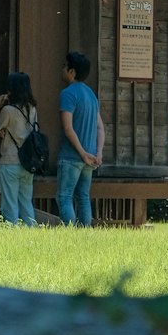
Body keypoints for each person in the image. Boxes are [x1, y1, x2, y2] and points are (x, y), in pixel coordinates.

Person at [57, 50, 104, 226]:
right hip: (90, 157)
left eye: (64, 66)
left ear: (72, 72)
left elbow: (68, 128)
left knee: (64, 196)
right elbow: (100, 127)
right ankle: (85, 235)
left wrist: (82, 153)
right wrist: (97, 152)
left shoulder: (68, 94)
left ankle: (69, 237)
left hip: (72, 156)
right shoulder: (91, 95)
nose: (62, 69)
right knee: (83, 196)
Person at [0, 70, 39, 225]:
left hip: (10, 162)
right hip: (27, 163)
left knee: (10, 203)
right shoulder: (32, 109)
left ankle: (11, 234)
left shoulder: (8, 111)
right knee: (26, 202)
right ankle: (30, 232)